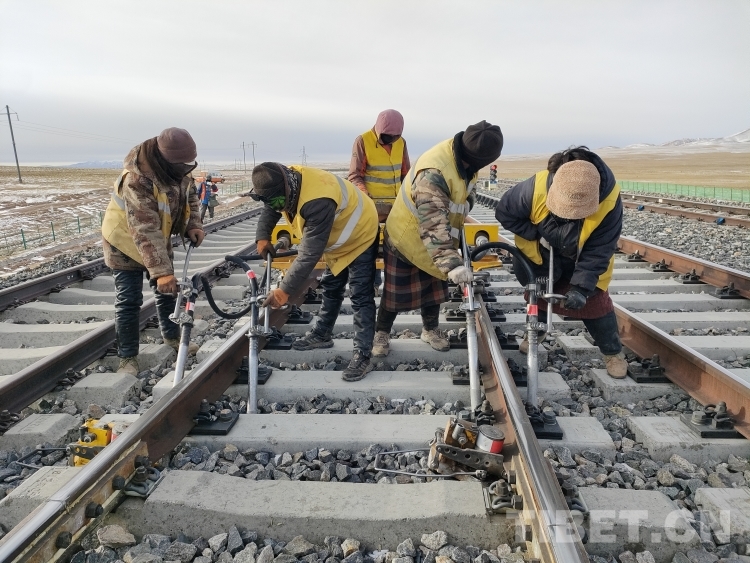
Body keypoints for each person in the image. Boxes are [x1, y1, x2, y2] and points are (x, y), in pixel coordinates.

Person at [494, 146, 628, 379]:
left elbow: (599, 251)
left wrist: (581, 289)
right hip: (541, 254)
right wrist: (535, 234)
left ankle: (612, 352)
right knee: (538, 293)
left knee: (595, 303)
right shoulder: (533, 189)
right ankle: (535, 334)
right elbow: (505, 213)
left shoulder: (609, 202)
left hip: (581, 256)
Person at [373, 121, 503, 357]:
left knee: (433, 289)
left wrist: (464, 207)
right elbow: (432, 222)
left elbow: (467, 192)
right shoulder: (434, 172)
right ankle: (381, 332)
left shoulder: (465, 160)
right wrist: (452, 265)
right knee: (394, 294)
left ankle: (430, 329)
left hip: (437, 240)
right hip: (407, 238)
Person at [252, 162, 379, 381]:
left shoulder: (317, 201)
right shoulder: (286, 178)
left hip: (361, 231)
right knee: (331, 285)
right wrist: (263, 235)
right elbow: (272, 205)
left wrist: (284, 291)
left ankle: (363, 354)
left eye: (279, 201)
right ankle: (322, 334)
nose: (277, 206)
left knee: (360, 294)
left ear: (287, 188)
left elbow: (309, 255)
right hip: (338, 232)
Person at [101, 127, 205, 376]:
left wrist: (193, 223)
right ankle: (127, 358)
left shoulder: (178, 169)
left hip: (157, 237)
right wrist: (161, 272)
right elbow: (144, 228)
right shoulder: (137, 179)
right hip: (124, 242)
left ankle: (172, 337)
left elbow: (190, 194)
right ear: (166, 159)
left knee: (167, 292)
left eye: (189, 164)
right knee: (129, 300)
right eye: (183, 165)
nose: (187, 169)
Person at [348, 109, 411, 294]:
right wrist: (365, 197)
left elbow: (406, 175)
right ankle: (372, 286)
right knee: (369, 248)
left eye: (394, 137)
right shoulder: (363, 141)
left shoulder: (401, 143)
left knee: (397, 248)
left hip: (396, 208)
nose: (390, 140)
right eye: (386, 137)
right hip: (371, 207)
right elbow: (355, 175)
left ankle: (394, 288)